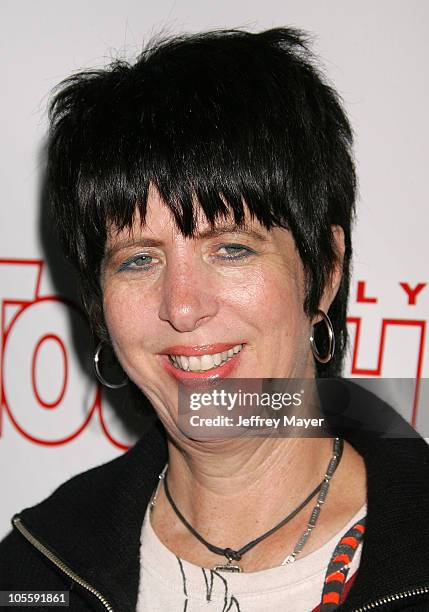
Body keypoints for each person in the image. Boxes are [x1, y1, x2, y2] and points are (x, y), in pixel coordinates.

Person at [1, 27, 428, 612]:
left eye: (231, 248)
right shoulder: (36, 568)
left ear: (324, 271)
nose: (181, 306)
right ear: (99, 306)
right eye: (139, 259)